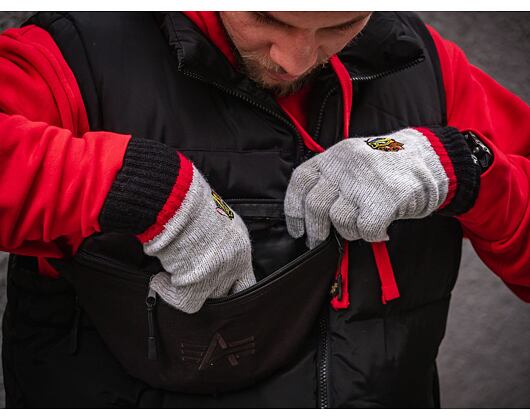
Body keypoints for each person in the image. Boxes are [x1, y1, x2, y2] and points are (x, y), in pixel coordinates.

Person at [0, 11, 528, 408]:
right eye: (267, 18)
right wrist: (134, 188)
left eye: (339, 27)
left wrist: (464, 170)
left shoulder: (425, 66)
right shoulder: (76, 55)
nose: (294, 60)